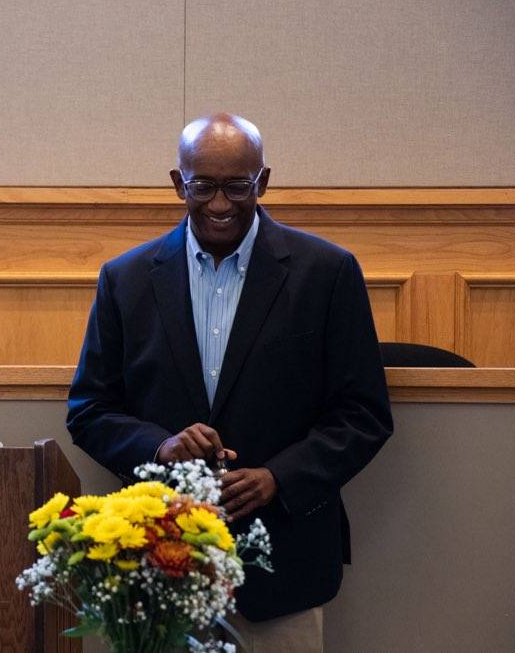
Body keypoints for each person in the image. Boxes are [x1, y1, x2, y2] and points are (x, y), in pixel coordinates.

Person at [66, 114, 392, 649]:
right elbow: (89, 409)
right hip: (163, 570)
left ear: (262, 181)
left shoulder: (327, 273)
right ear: (179, 183)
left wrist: (279, 477)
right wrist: (161, 446)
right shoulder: (125, 279)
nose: (220, 204)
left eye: (238, 186)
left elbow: (364, 413)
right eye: (203, 186)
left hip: (286, 569)